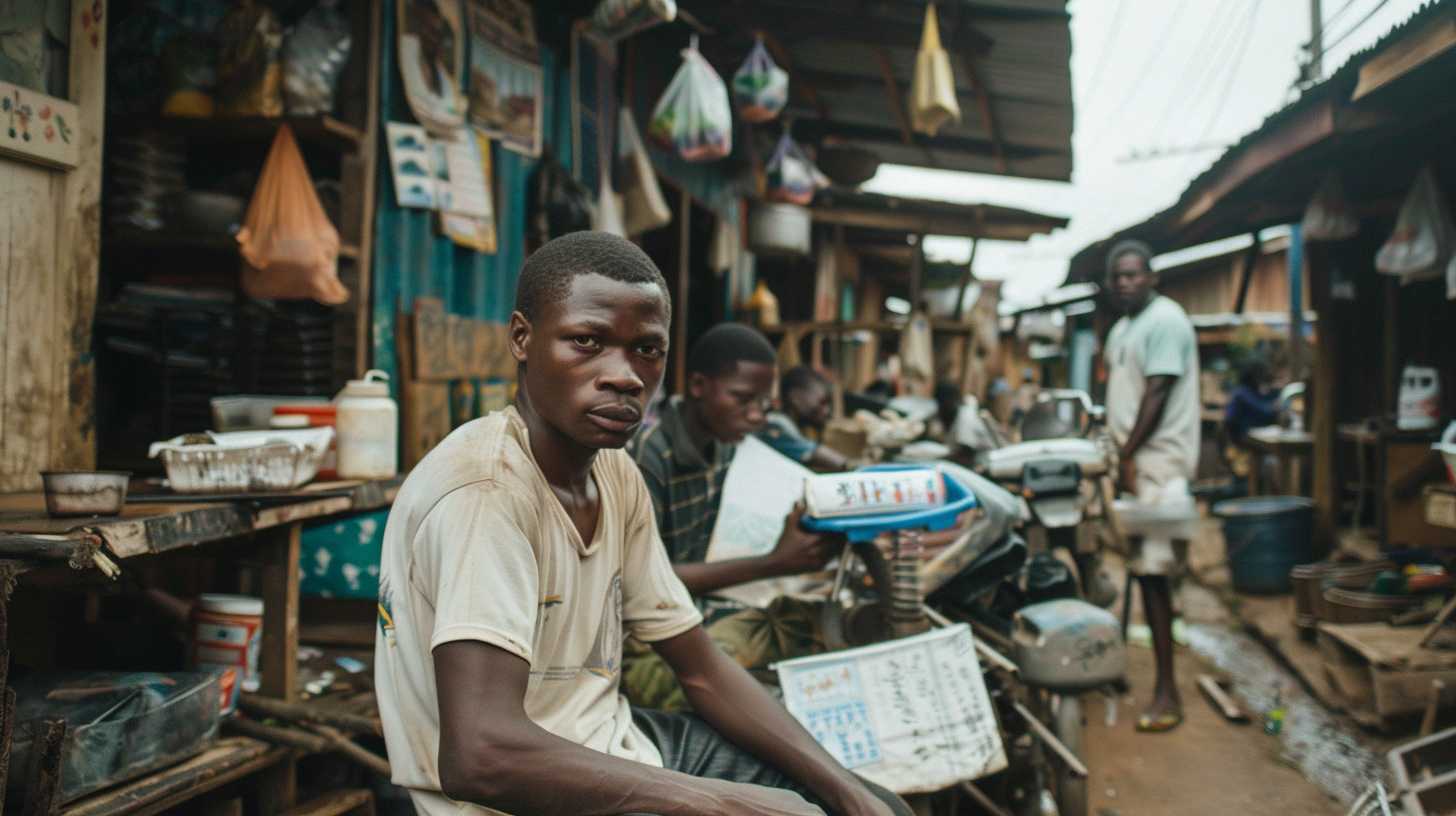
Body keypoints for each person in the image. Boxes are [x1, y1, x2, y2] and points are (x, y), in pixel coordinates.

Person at [374, 232, 908, 816]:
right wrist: (727, 804)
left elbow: (700, 668)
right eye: (587, 341)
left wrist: (845, 788)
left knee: (874, 806)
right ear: (522, 339)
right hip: (509, 798)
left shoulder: (615, 475)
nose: (624, 376)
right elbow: (481, 757)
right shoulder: (486, 492)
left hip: (616, 742)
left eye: (647, 351)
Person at [623, 325, 972, 712]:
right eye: (742, 399)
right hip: (647, 641)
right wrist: (773, 563)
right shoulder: (645, 457)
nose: (756, 414)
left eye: (764, 403)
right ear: (699, 385)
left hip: (704, 610)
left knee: (836, 625)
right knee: (773, 701)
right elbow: (640, 586)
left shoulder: (726, 441)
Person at [1102, 238, 1201, 734]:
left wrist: (1125, 454)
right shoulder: (1123, 328)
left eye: (1134, 274)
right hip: (1134, 466)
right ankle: (1129, 673)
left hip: (1158, 466)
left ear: (1152, 276)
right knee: (1140, 570)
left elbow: (1157, 394)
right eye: (1117, 276)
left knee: (1156, 578)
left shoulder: (1165, 320)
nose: (1125, 282)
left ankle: (1169, 694)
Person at [759, 366, 851, 471]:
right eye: (822, 402)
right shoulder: (775, 425)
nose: (827, 411)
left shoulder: (789, 426)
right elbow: (839, 463)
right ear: (795, 397)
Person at [1222, 357, 1279, 494]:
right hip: (1244, 443)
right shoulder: (1242, 394)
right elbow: (1265, 411)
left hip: (1251, 442)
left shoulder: (1251, 392)